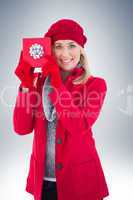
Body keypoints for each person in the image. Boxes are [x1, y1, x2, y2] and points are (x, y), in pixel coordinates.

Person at [13, 19, 109, 200]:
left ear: (81, 50)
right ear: (50, 50)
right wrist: (26, 84)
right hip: (44, 181)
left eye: (71, 45)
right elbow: (22, 128)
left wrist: (56, 82)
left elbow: (78, 126)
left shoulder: (95, 85)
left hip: (79, 180)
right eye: (58, 46)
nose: (65, 53)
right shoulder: (40, 82)